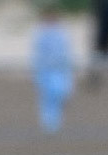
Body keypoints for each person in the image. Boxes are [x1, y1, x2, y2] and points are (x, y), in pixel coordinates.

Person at [30, 6, 74, 134]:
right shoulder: (40, 33)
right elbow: (37, 53)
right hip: (45, 69)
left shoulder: (62, 33)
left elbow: (66, 52)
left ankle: (55, 121)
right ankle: (49, 123)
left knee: (60, 93)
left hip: (59, 69)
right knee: (46, 96)